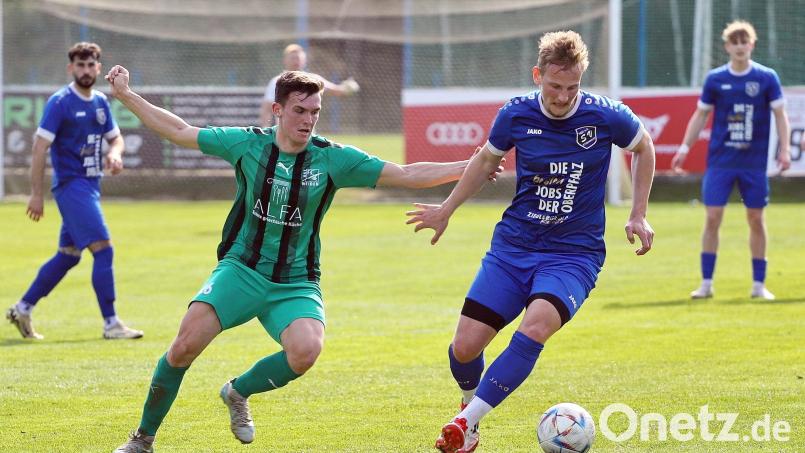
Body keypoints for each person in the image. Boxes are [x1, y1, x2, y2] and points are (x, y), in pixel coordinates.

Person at [107, 66, 500, 452]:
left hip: (296, 282)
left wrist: (473, 165)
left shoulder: (332, 159)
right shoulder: (247, 144)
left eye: (315, 112)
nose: (308, 120)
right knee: (182, 348)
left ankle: (237, 392)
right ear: (277, 110)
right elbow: (179, 132)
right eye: (300, 110)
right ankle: (142, 438)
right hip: (241, 270)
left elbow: (407, 173)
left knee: (306, 351)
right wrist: (126, 95)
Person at [406, 31, 656, 453]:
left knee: (536, 326)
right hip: (513, 248)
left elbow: (643, 147)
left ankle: (465, 422)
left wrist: (638, 212)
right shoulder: (515, 114)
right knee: (464, 349)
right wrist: (446, 210)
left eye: (572, 87)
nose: (563, 97)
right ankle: (469, 407)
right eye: (554, 86)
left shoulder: (606, 116)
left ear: (582, 79)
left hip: (574, 256)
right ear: (538, 75)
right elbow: (484, 160)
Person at [5, 42, 143, 340]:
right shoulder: (60, 102)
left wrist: (115, 154)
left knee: (69, 255)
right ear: (71, 68)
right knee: (104, 250)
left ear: (98, 68)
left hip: (90, 188)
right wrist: (36, 194)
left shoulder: (100, 103)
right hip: (72, 187)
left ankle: (23, 309)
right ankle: (111, 324)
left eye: (90, 65)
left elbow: (116, 139)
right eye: (79, 65)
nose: (85, 70)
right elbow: (40, 147)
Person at [671, 20, 791, 300]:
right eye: (734, 42)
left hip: (753, 163)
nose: (739, 47)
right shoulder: (715, 79)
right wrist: (684, 148)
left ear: (752, 44)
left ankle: (759, 285)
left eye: (744, 41)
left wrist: (784, 149)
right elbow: (700, 115)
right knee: (712, 217)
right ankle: (706, 283)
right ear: (726, 46)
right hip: (721, 162)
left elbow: (780, 115)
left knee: (756, 218)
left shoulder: (766, 77)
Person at [259, 43, 359, 127]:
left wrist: (348, 87)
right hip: (285, 134)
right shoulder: (277, 81)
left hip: (307, 130)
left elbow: (337, 91)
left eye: (298, 58)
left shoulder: (313, 80)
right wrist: (264, 130)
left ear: (304, 61)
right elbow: (267, 108)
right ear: (285, 60)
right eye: (293, 58)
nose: (296, 61)